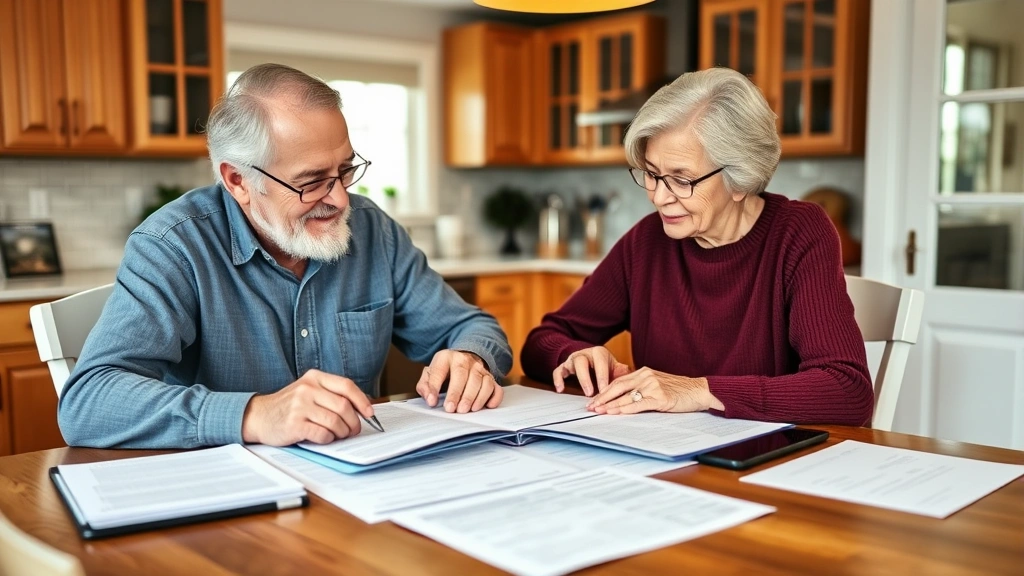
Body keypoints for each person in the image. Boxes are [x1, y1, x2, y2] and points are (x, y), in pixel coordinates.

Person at [59, 64, 512, 449]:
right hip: (230, 503)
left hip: (361, 484)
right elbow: (88, 403)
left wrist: (469, 358)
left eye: (345, 170)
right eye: (311, 181)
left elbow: (471, 327)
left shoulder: (374, 231)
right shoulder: (173, 247)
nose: (339, 200)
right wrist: (255, 415)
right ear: (238, 181)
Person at [520, 68, 873, 426]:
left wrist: (698, 390)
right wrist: (575, 353)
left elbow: (847, 390)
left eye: (681, 179)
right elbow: (540, 342)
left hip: (762, 460)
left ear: (742, 179)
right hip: (663, 454)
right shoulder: (648, 241)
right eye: (652, 173)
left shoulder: (798, 234)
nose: (659, 197)